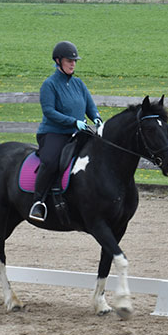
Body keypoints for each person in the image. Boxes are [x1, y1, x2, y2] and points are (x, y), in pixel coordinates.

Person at [29, 41, 103, 222]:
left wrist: (97, 118)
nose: (73, 64)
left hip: (78, 133)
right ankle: (38, 202)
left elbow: (89, 106)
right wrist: (73, 122)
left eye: (74, 61)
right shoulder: (49, 84)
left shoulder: (78, 84)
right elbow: (49, 112)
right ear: (58, 61)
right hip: (54, 133)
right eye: (69, 60)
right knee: (51, 161)